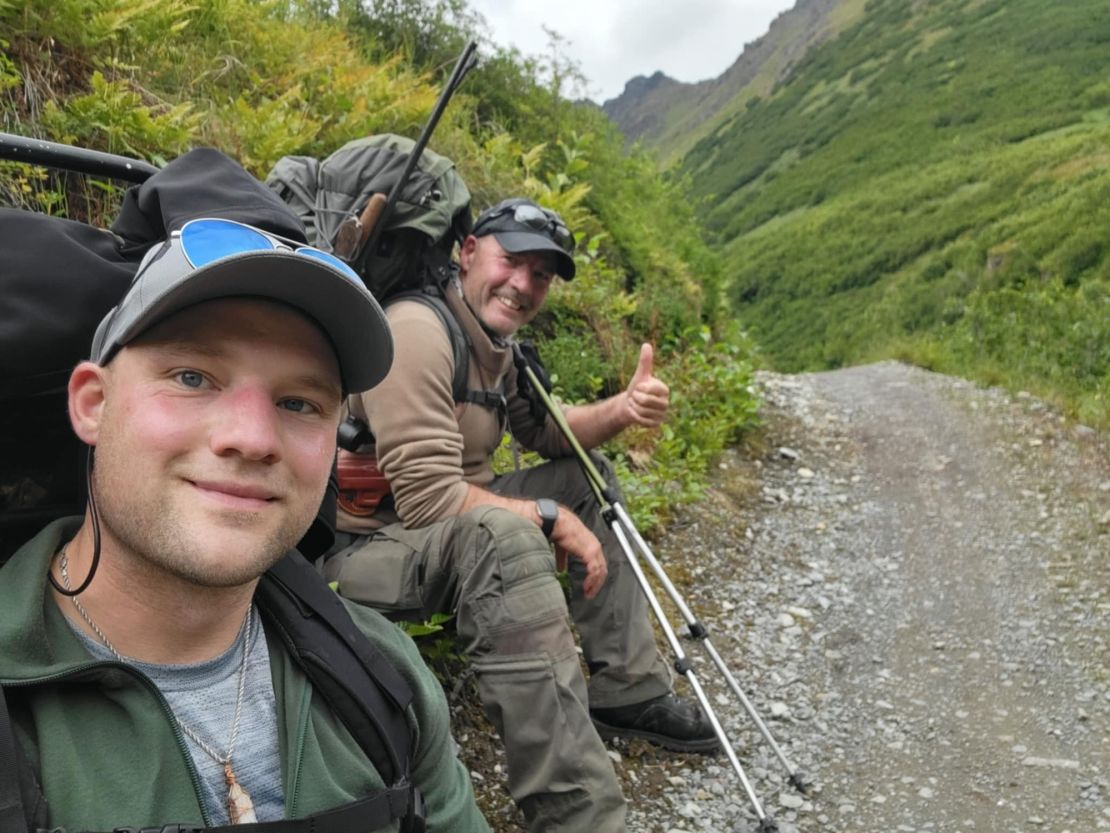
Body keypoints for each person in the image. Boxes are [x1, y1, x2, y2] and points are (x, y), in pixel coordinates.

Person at [0, 219, 490, 833]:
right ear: (93, 404)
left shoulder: (385, 675)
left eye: (298, 404)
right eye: (192, 378)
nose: (254, 438)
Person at [325, 198, 717, 833]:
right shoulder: (420, 332)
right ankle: (578, 818)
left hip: (445, 529)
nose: (524, 285)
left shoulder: (495, 341)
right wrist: (544, 515)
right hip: (360, 550)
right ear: (469, 251)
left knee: (580, 480)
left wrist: (623, 409)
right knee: (509, 533)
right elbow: (427, 499)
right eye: (512, 261)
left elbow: (549, 434)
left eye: (541, 275)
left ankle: (628, 691)